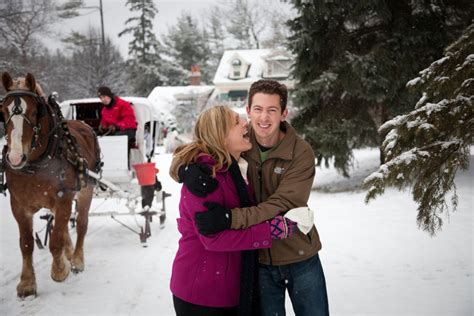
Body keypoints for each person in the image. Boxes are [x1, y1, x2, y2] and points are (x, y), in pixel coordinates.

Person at [173, 80, 329, 316]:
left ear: (284, 113)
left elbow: (281, 204)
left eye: (272, 110)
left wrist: (229, 218)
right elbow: (206, 145)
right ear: (248, 110)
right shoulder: (242, 145)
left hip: (298, 254)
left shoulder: (299, 152)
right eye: (257, 109)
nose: (262, 118)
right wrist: (186, 169)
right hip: (258, 261)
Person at [169, 105, 298, 316]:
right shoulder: (203, 179)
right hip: (202, 293)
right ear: (221, 134)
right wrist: (268, 231)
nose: (245, 123)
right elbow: (214, 239)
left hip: (230, 287)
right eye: (236, 122)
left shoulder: (236, 169)